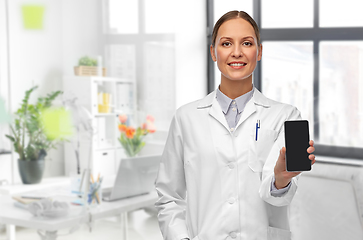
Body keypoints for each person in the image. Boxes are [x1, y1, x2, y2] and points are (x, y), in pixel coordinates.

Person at [155, 10, 315, 240]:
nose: (237, 52)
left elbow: (277, 195)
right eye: (226, 43)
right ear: (213, 52)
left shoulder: (286, 116)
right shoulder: (185, 118)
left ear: (259, 52)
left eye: (247, 43)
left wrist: (281, 178)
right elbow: (169, 195)